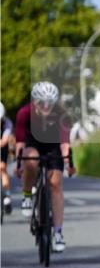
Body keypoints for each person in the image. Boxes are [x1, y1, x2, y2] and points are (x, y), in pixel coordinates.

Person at [14, 82, 75, 252]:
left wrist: (68, 163)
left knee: (56, 184)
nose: (46, 106)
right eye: (42, 102)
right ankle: (27, 196)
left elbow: (65, 144)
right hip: (32, 143)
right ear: (35, 101)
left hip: (52, 145)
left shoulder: (62, 115)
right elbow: (19, 143)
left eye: (50, 103)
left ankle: (57, 233)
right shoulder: (24, 113)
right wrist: (19, 164)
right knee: (31, 159)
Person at [0, 101, 13, 215]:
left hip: (1, 147)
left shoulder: (7, 123)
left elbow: (4, 141)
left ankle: (7, 195)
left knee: (2, 168)